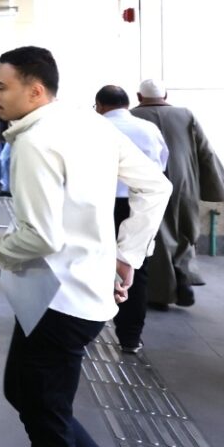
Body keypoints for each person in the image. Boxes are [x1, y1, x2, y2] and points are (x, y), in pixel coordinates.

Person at [0, 47, 174, 447]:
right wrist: (128, 254)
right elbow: (157, 185)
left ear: (35, 91)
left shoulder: (36, 141)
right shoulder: (89, 124)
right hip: (75, 296)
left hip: (57, 299)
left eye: (2, 86)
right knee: (31, 397)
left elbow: (40, 236)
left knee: (47, 416)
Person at [131, 80, 224, 307]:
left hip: (149, 184)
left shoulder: (132, 116)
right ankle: (185, 277)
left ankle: (162, 293)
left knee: (159, 236)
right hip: (186, 182)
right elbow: (205, 150)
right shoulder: (186, 115)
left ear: (139, 96)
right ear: (165, 95)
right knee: (186, 231)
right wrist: (216, 185)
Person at [94, 85, 170, 353]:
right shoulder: (149, 129)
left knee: (93, 262)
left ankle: (89, 326)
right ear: (128, 103)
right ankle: (130, 337)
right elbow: (161, 165)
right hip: (140, 204)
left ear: (100, 105)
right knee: (135, 269)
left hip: (101, 204)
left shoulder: (96, 127)